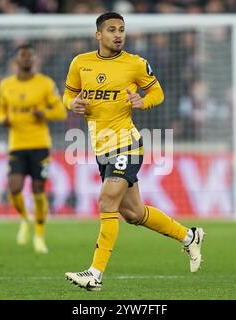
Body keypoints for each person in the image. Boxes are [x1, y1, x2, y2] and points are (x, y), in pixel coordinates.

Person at [62, 12, 205, 291]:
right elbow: (68, 94)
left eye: (122, 30)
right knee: (134, 214)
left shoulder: (135, 64)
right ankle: (189, 236)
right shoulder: (80, 63)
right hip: (101, 147)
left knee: (106, 202)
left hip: (127, 143)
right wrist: (72, 104)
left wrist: (143, 102)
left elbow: (158, 93)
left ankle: (95, 274)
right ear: (98, 35)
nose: (118, 34)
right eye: (112, 30)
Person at [0, 44, 67, 253]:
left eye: (30, 56)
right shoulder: (5, 85)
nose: (27, 60)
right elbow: (1, 113)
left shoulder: (45, 84)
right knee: (14, 188)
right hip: (17, 145)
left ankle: (39, 234)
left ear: (34, 60)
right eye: (23, 56)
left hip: (40, 145)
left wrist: (44, 114)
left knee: (38, 190)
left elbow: (61, 112)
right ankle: (25, 219)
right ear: (16, 61)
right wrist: (4, 120)